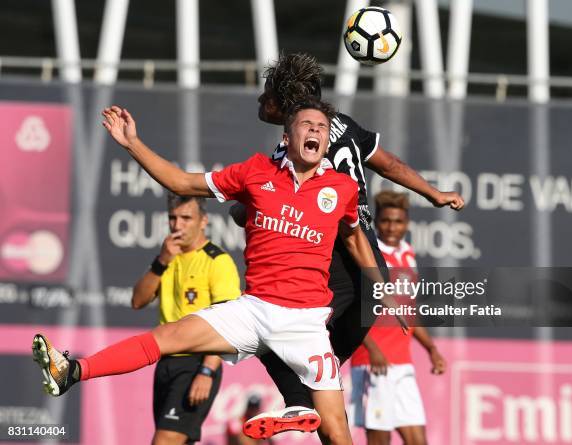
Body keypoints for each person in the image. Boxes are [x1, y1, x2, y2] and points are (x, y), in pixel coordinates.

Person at [32, 99, 391, 445]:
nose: (315, 130)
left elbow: (355, 238)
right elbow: (180, 182)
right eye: (306, 125)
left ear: (327, 140)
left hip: (305, 323)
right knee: (167, 337)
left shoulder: (342, 188)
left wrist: (381, 289)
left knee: (336, 434)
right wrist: (132, 144)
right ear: (287, 136)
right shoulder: (255, 172)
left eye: (322, 127)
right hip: (254, 310)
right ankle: (72, 371)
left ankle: (296, 403)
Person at [237, 53, 463, 439]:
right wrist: (433, 192)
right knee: (332, 352)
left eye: (266, 95)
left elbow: (248, 212)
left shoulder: (290, 150)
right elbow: (388, 164)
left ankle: (300, 398)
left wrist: (245, 211)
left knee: (273, 332)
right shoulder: (342, 125)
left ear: (284, 102)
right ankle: (308, 395)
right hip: (367, 258)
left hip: (334, 256)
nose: (260, 102)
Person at [133, 192, 241, 444]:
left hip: (196, 364)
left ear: (203, 221)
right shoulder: (167, 257)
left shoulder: (218, 261)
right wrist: (161, 262)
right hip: (165, 362)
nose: (177, 225)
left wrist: (207, 370)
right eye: (172, 218)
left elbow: (228, 323)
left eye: (186, 218)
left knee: (164, 441)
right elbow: (138, 301)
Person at [350, 191, 446, 445]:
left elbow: (409, 312)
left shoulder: (407, 254)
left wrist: (431, 349)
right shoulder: (369, 253)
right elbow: (351, 309)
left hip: (403, 363)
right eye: (385, 221)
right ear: (377, 221)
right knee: (380, 440)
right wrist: (372, 349)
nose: (392, 227)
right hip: (373, 362)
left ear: (407, 223)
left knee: (417, 440)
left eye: (398, 221)